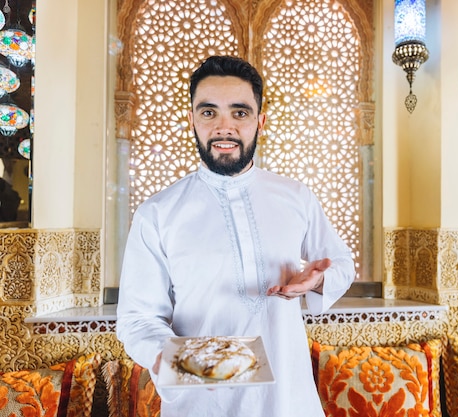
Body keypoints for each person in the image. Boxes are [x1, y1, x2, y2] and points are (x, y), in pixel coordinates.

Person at [116, 55, 356, 417]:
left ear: (260, 121)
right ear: (192, 119)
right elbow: (136, 320)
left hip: (288, 401)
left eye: (239, 113)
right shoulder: (158, 213)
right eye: (209, 112)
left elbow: (342, 264)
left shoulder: (295, 197)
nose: (223, 127)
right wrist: (199, 365)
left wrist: (318, 280)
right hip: (202, 404)